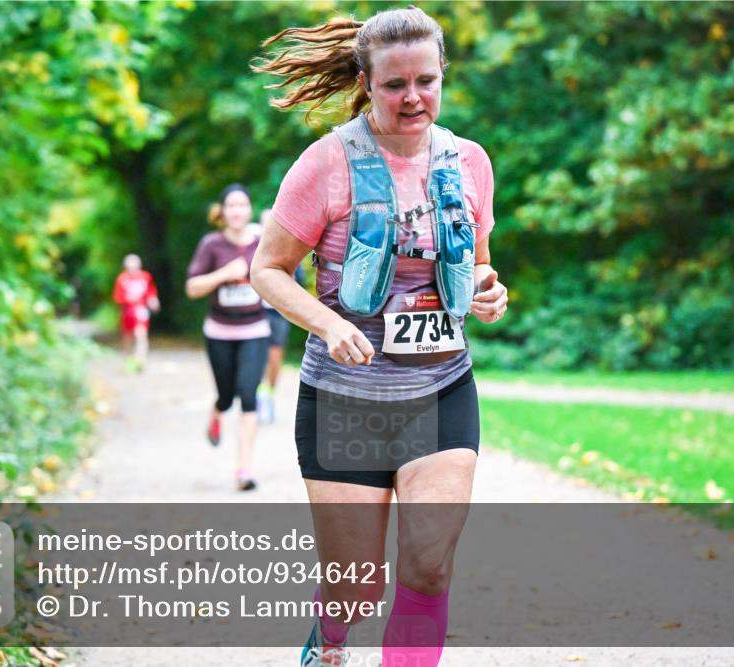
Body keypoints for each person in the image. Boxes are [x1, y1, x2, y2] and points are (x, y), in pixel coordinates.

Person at [251, 6, 508, 666]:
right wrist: (330, 322)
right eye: (395, 84)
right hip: (345, 397)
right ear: (366, 82)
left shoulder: (470, 163)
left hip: (441, 387)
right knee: (357, 586)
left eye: (427, 80)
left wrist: (488, 288)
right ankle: (329, 636)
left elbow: (477, 261)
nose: (413, 96)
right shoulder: (326, 165)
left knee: (428, 565)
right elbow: (267, 269)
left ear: (443, 75)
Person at [186, 184, 271, 492]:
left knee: (248, 395)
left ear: (249, 210)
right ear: (221, 212)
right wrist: (223, 274)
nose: (236, 211)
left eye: (242, 205)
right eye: (230, 206)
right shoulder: (211, 244)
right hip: (219, 331)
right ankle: (217, 409)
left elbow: (283, 277)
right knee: (227, 395)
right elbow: (192, 288)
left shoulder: (262, 243)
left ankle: (243, 470)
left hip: (255, 330)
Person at [256, 208, 306, 425]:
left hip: (277, 312)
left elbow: (300, 282)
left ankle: (270, 394)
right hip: (253, 312)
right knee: (255, 355)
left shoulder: (290, 250)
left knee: (275, 357)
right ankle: (258, 393)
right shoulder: (250, 249)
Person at [112, 254, 160, 372]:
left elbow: (151, 292)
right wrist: (128, 299)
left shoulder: (145, 277)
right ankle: (128, 360)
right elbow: (117, 297)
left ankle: (140, 360)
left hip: (141, 312)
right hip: (127, 313)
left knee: (141, 335)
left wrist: (153, 301)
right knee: (127, 338)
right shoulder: (122, 279)